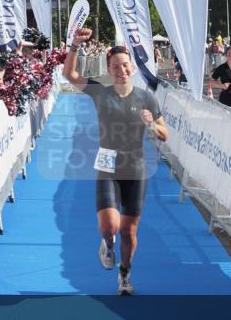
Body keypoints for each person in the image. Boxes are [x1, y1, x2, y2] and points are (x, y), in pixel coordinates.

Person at [63, 29, 169, 296]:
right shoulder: (101, 92)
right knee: (110, 226)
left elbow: (164, 133)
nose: (121, 69)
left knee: (129, 231)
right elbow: (70, 75)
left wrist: (151, 126)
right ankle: (106, 244)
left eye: (125, 65)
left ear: (132, 67)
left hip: (135, 169)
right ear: (109, 70)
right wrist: (75, 45)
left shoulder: (146, 98)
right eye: (115, 66)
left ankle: (125, 274)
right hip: (108, 167)